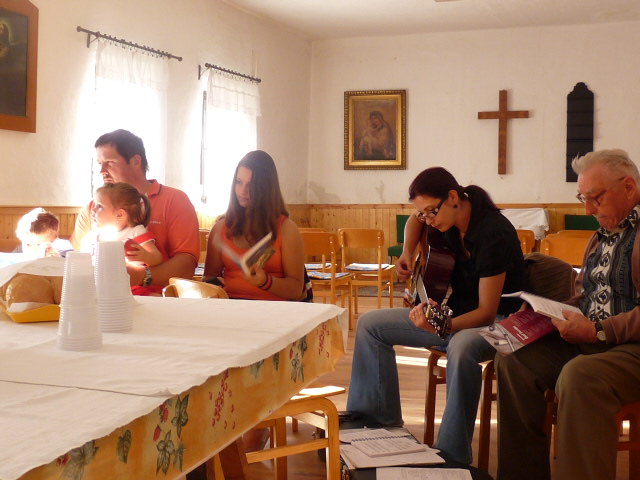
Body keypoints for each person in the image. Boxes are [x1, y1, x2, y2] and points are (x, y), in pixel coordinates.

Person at [345, 166, 526, 465]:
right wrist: (407, 252)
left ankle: (453, 456)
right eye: (424, 213)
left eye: (431, 212)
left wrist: (441, 325)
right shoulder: (445, 221)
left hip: (501, 322)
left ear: (453, 197)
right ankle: (378, 428)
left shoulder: (494, 232)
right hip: (456, 317)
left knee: (462, 347)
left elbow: (487, 312)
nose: (428, 219)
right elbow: (414, 221)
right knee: (369, 325)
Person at [495, 149, 640, 480]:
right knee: (514, 360)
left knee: (580, 376)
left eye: (596, 198)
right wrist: (545, 313)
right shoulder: (602, 234)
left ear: (629, 187)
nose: (588, 210)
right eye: (582, 199)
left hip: (631, 348)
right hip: (595, 340)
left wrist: (599, 330)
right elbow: (585, 296)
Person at [71, 129, 200, 288]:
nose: (102, 171)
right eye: (100, 164)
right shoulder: (93, 208)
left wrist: (142, 276)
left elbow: (186, 265)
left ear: (136, 161)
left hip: (156, 296)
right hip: (100, 293)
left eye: (109, 162)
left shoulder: (174, 200)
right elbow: (77, 257)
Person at [203, 150, 306, 302]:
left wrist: (266, 282)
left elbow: (296, 290)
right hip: (229, 307)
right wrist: (213, 285)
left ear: (266, 188)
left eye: (250, 185)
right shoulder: (221, 227)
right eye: (239, 182)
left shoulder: (286, 229)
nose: (242, 191)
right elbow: (209, 277)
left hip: (273, 310)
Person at [88, 182, 164, 295]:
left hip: (133, 286)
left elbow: (157, 257)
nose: (93, 210)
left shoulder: (135, 232)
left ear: (120, 214)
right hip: (106, 285)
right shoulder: (99, 235)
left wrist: (145, 256)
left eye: (99, 206)